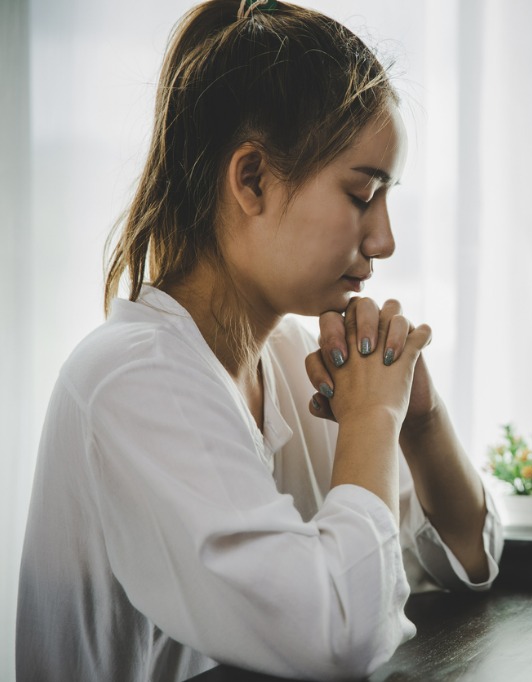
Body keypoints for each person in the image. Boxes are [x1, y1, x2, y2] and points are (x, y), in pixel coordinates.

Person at [16, 1, 503, 680]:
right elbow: (338, 634)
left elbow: (464, 563)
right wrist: (372, 419)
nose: (385, 240)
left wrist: (418, 423)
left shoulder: (293, 360)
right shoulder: (132, 382)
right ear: (252, 179)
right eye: (363, 194)